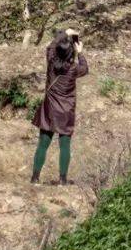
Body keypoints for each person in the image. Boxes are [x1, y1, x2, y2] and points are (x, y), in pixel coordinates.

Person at [30, 28, 88, 185]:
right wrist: (80, 52)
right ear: (71, 53)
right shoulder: (74, 69)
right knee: (65, 145)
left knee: (43, 143)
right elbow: (85, 68)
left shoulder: (51, 62)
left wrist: (65, 33)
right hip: (66, 112)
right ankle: (62, 180)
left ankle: (35, 178)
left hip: (49, 109)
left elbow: (50, 46)